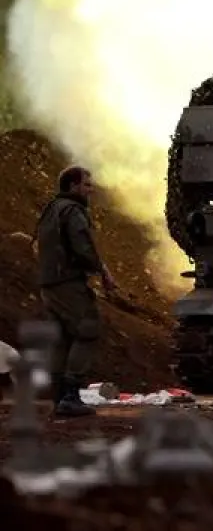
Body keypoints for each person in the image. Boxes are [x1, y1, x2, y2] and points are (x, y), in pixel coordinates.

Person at [35, 166, 117, 419]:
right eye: (87, 184)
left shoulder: (51, 208)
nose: (91, 189)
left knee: (62, 338)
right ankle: (70, 396)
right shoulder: (72, 210)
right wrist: (102, 271)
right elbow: (83, 247)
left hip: (48, 284)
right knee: (87, 328)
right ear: (73, 186)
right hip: (67, 282)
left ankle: (59, 397)